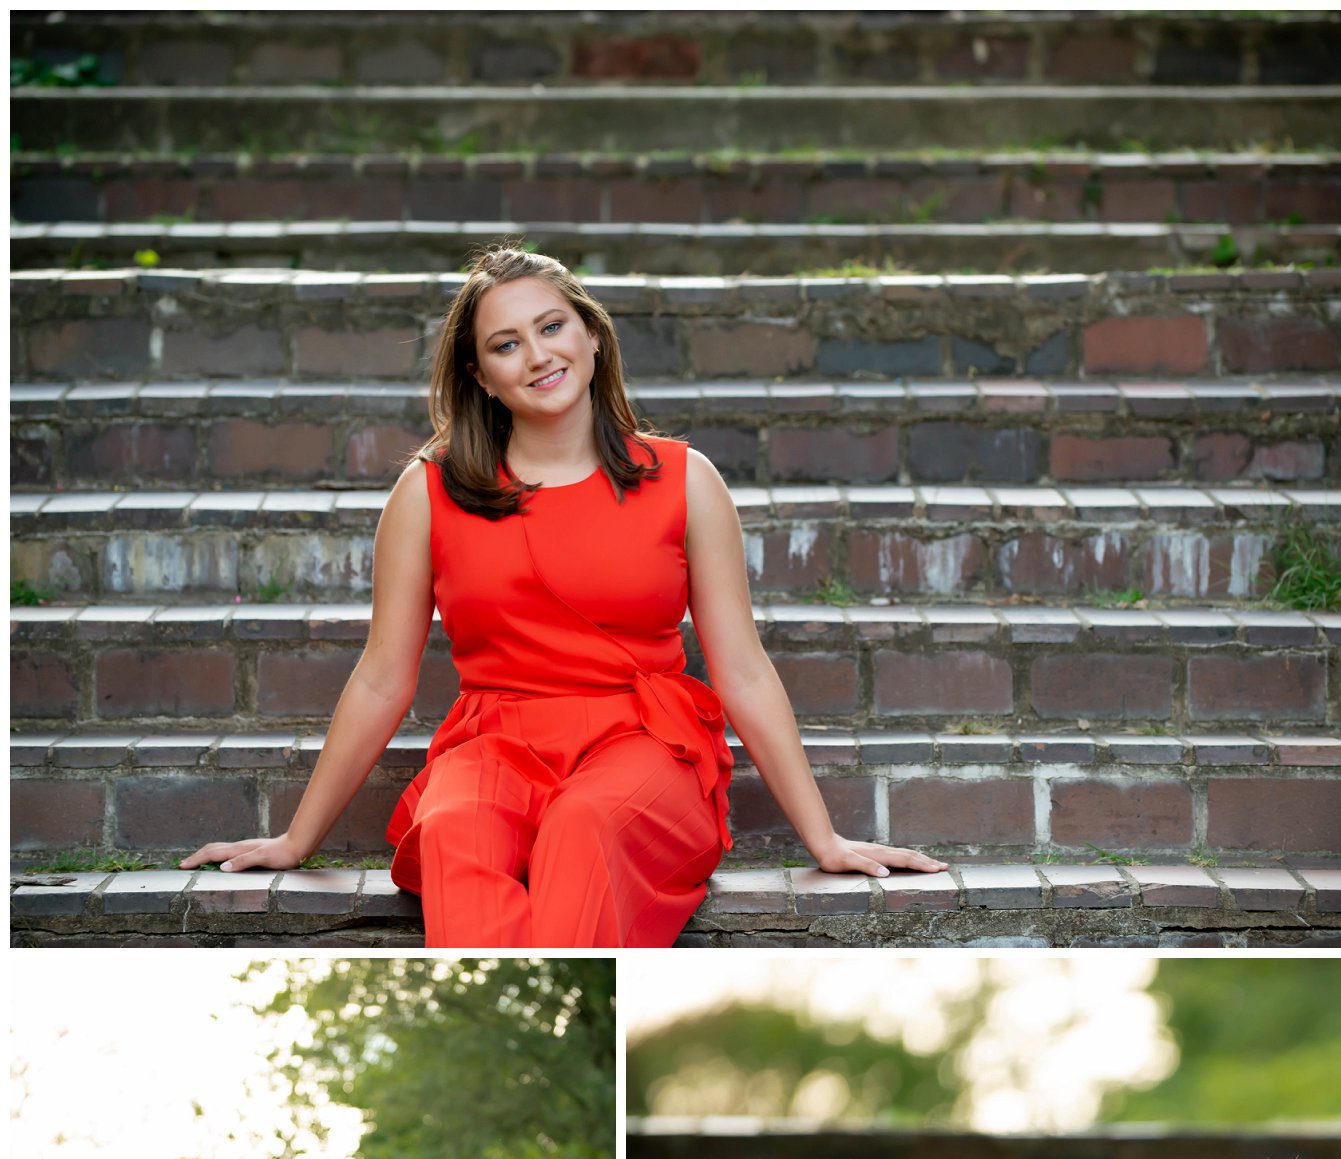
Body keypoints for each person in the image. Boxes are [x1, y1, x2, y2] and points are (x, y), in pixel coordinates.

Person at [179, 245, 940, 944]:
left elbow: (741, 668)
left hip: (643, 742)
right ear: (480, 375)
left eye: (552, 326)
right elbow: (383, 673)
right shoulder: (430, 490)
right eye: (506, 344)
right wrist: (297, 839)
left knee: (583, 826)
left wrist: (823, 837)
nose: (538, 355)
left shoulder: (685, 479)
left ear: (593, 335)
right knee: (453, 834)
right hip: (495, 741)